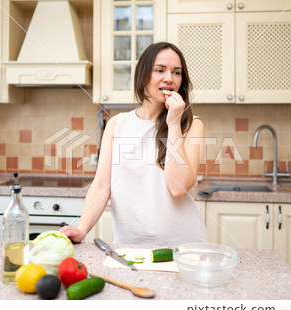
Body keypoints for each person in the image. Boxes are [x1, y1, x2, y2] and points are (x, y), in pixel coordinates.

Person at [60, 42, 208, 245]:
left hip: (182, 247)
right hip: (129, 246)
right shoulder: (117, 124)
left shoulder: (192, 125)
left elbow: (178, 188)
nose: (169, 78)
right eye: (159, 70)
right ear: (143, 75)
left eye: (176, 72)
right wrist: (82, 229)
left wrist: (173, 124)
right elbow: (102, 186)